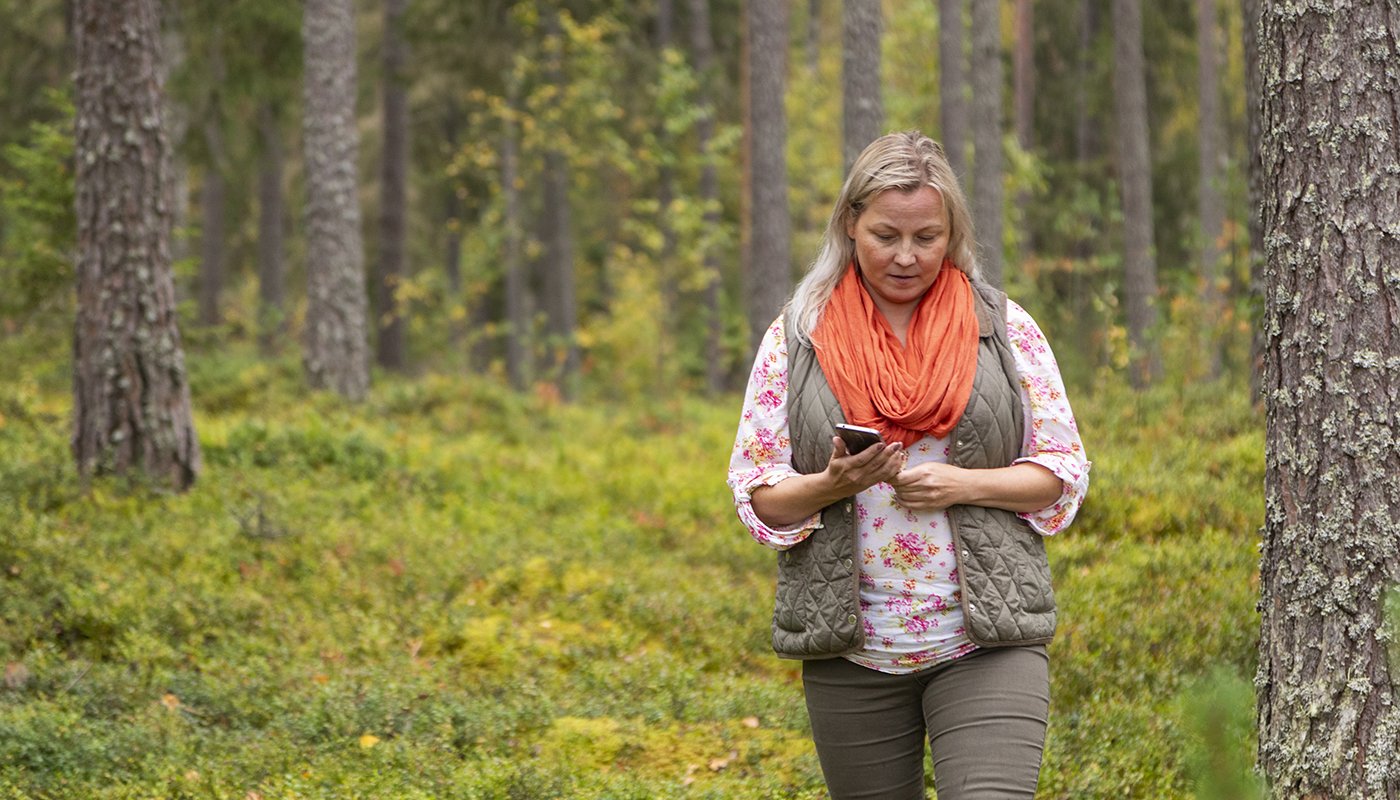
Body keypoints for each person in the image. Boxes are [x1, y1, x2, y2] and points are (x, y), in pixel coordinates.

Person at [726, 131, 1090, 800]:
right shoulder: (797, 336)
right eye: (886, 234)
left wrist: (964, 485)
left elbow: (1061, 471)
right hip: (852, 653)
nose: (905, 255)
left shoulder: (1003, 329)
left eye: (926, 237)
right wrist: (829, 485)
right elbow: (759, 492)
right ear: (850, 226)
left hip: (989, 642)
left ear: (952, 234)